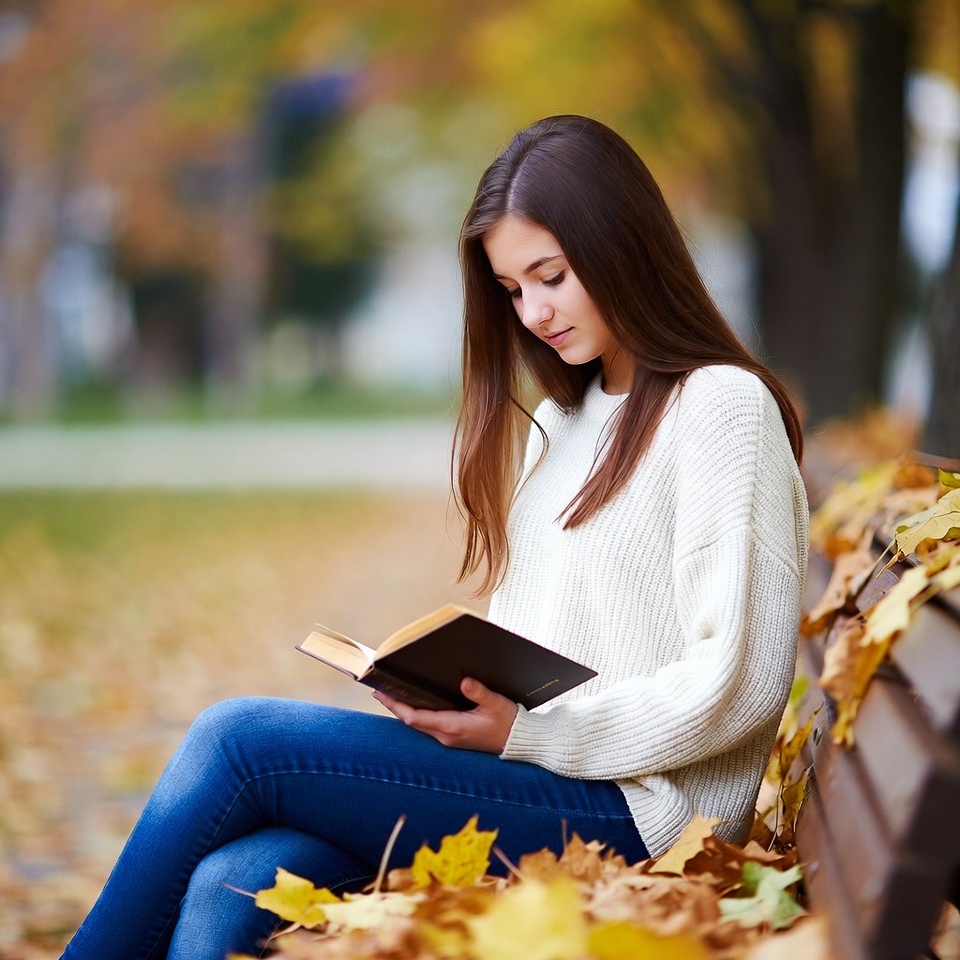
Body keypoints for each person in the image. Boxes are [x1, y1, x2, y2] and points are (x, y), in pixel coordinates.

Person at [60, 114, 808, 960]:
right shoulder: (562, 420)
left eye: (551, 277)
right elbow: (543, 650)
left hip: (643, 822)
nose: (533, 313)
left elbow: (736, 683)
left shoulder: (720, 407)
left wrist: (527, 734)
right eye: (512, 289)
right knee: (234, 878)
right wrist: (457, 696)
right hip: (536, 782)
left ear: (624, 244)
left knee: (237, 742)